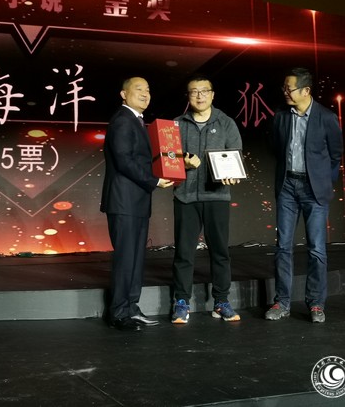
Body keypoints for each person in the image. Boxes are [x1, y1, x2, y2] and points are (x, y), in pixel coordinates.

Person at [265, 67, 343, 324]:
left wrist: (323, 182)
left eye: (290, 88)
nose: (286, 92)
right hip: (287, 186)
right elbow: (276, 148)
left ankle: (316, 303)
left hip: (314, 189)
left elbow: (335, 155)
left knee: (317, 249)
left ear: (306, 90)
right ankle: (282, 302)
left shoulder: (326, 117)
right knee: (282, 247)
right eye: (284, 88)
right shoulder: (280, 116)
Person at [100, 76, 174, 331]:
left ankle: (131, 307)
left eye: (148, 90)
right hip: (124, 201)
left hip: (137, 201)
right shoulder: (122, 120)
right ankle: (119, 313)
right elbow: (124, 161)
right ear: (123, 94)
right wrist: (154, 180)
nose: (145, 94)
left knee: (135, 258)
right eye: (138, 89)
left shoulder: (137, 121)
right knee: (126, 258)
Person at [170, 75, 243, 324]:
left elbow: (235, 156)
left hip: (217, 197)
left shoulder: (226, 123)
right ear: (188, 96)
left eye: (204, 91)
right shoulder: (176, 125)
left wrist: (232, 174)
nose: (199, 96)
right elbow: (167, 160)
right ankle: (181, 302)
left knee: (220, 252)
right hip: (185, 197)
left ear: (212, 94)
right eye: (194, 92)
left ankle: (221, 302)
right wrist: (183, 163)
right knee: (184, 253)